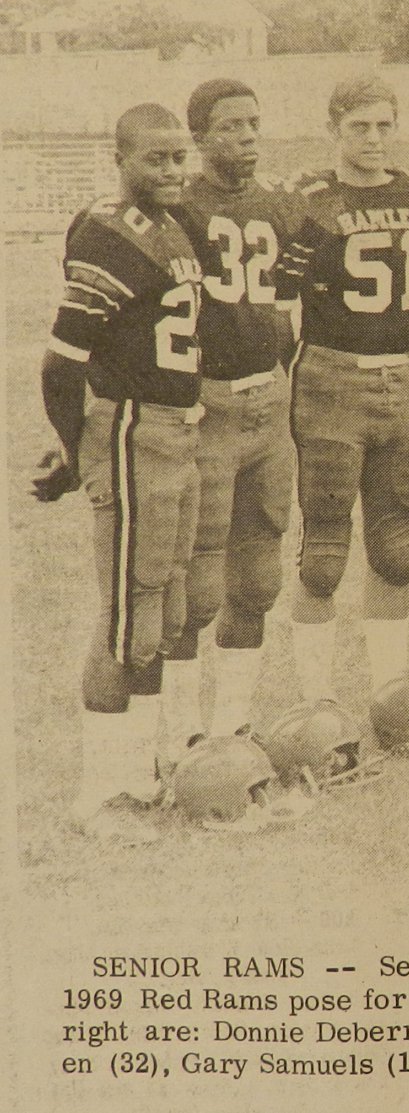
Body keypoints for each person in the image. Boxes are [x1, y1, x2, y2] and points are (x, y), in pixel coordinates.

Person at [34, 103, 205, 844]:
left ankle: (139, 774)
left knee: (163, 610)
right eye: (156, 159)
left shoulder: (174, 225)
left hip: (177, 432)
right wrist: (77, 454)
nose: (172, 170)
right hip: (134, 430)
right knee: (124, 617)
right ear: (121, 158)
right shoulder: (108, 234)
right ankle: (98, 794)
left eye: (179, 157)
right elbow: (60, 364)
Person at [272, 76, 409, 701]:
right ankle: (316, 700)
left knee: (398, 546)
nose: (373, 139)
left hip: (404, 378)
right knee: (323, 553)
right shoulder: (309, 203)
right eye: (359, 128)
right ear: (334, 130)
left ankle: (390, 690)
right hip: (331, 378)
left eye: (383, 125)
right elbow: (276, 306)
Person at [161, 79, 299, 757]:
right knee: (197, 581)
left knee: (260, 577)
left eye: (253, 122)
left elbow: (289, 311)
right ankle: (183, 732)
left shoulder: (278, 206)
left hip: (267, 407)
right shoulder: (176, 209)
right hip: (207, 409)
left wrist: (276, 375)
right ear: (198, 138)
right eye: (230, 126)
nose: (246, 136)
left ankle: (233, 724)